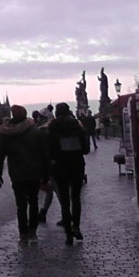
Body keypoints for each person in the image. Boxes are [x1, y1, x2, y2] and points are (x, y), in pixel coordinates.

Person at [0, 105, 50, 245]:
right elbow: (45, 155)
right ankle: (33, 232)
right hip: (34, 173)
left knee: (21, 205)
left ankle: (23, 234)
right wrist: (46, 174)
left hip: (17, 174)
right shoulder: (36, 133)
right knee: (34, 202)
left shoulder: (7, 135)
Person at [48, 102, 90, 245]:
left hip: (60, 167)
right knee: (76, 198)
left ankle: (68, 233)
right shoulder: (76, 126)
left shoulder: (52, 128)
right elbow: (86, 149)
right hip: (76, 165)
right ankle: (76, 227)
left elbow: (49, 150)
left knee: (65, 201)